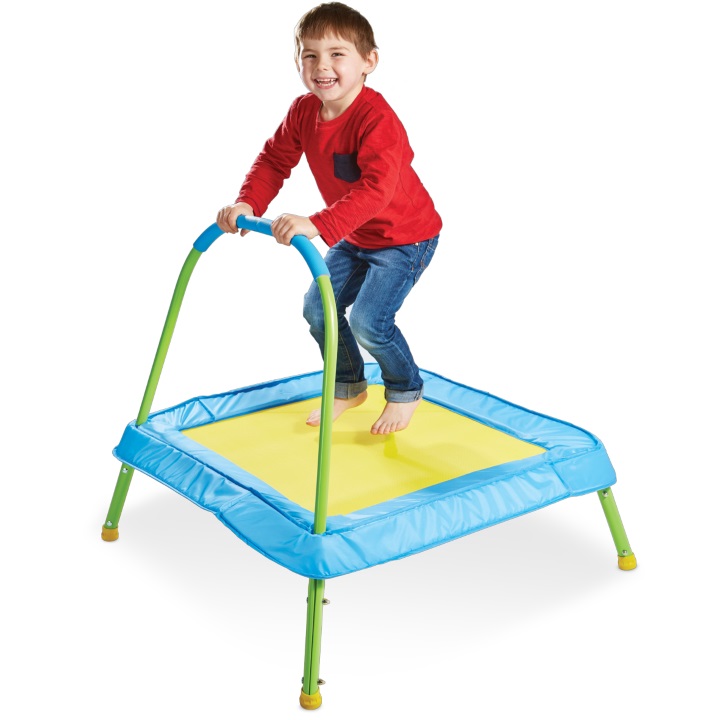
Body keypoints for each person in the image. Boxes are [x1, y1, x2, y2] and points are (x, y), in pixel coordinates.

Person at [217, 2, 441, 435]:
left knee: (369, 323)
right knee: (317, 309)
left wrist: (318, 223)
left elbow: (376, 189)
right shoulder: (303, 111)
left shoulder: (377, 119)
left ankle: (405, 389)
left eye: (337, 54)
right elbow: (273, 161)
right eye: (310, 55)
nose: (322, 66)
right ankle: (348, 385)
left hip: (404, 237)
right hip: (355, 235)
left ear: (368, 61)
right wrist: (248, 204)